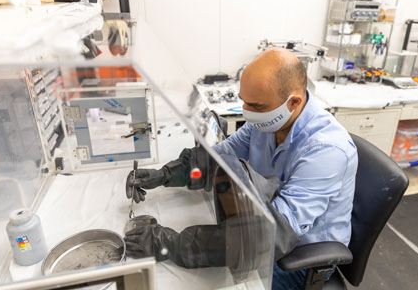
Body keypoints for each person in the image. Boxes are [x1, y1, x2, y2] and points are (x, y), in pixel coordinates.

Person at [124, 48, 358, 290]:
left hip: (299, 257)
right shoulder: (266, 121)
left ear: (294, 102)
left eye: (255, 105)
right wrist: (165, 175)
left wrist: (169, 244)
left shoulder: (327, 150)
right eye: (244, 101)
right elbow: (217, 159)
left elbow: (269, 236)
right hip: (262, 220)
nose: (246, 112)